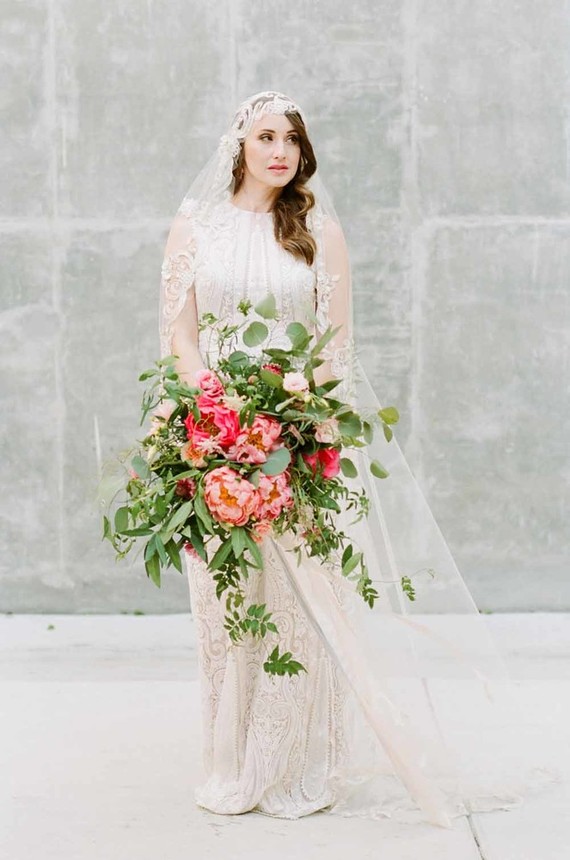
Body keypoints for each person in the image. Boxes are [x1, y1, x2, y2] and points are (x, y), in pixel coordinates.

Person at [158, 91, 560, 826]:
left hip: (296, 443)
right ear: (238, 145)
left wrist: (288, 422)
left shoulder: (318, 231)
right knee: (228, 607)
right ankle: (232, 762)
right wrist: (216, 412)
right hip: (210, 442)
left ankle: (298, 764)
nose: (279, 151)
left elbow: (335, 349)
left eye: (292, 139)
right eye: (265, 137)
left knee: (300, 612)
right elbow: (179, 336)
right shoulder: (195, 228)